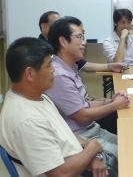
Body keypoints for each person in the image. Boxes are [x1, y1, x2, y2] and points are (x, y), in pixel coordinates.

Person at [0, 37, 108, 177]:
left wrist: (88, 152)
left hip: (79, 162)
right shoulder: (27, 120)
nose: (53, 70)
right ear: (30, 73)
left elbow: (63, 133)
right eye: (49, 65)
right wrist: (92, 149)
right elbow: (61, 174)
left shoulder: (38, 97)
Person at [45, 16, 130, 159]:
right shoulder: (59, 74)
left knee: (132, 144)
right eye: (79, 36)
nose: (83, 42)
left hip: (92, 130)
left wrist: (110, 101)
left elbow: (84, 104)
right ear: (63, 41)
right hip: (81, 138)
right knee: (130, 155)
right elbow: (82, 116)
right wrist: (114, 106)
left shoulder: (69, 67)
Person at [39, 10, 126, 73]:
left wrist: (110, 66)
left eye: (82, 36)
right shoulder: (40, 50)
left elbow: (85, 65)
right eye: (78, 36)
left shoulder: (70, 52)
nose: (83, 42)